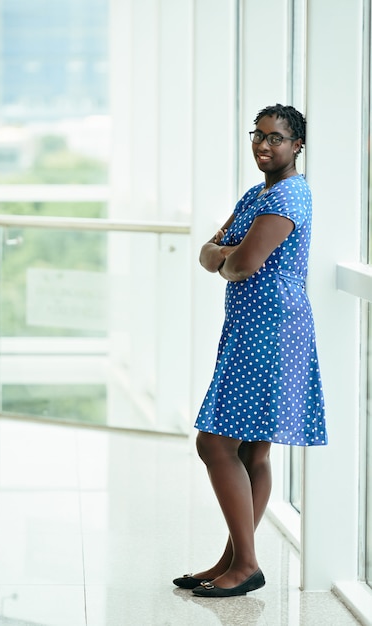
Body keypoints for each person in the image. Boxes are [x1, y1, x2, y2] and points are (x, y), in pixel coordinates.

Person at [173, 103, 327, 598]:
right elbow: (210, 253)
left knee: (215, 443)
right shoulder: (257, 193)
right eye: (257, 135)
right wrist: (224, 255)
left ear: (297, 145)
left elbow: (240, 264)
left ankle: (247, 565)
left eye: (276, 138)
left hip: (271, 330)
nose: (264, 145)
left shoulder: (289, 197)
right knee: (250, 447)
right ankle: (233, 561)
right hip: (250, 327)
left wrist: (225, 256)